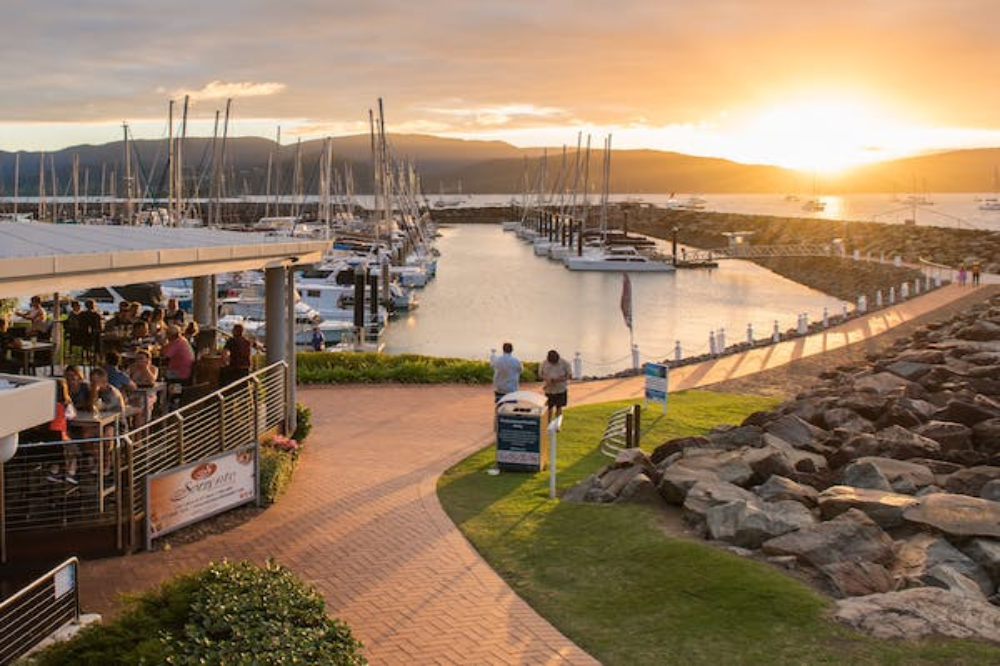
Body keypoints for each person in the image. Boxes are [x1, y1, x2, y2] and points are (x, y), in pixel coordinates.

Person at [538, 349, 572, 422]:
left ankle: (557, 425)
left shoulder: (565, 363)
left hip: (561, 389)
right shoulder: (544, 363)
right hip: (549, 390)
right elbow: (540, 374)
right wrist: (547, 379)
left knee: (559, 407)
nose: (552, 363)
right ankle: (548, 423)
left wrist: (558, 380)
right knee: (548, 407)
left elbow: (569, 375)